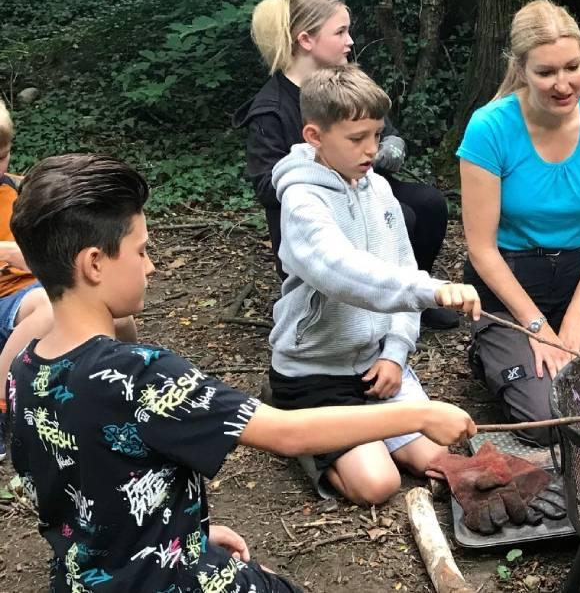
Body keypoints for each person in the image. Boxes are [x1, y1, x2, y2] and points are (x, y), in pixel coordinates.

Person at [6, 153, 477, 592]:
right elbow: (289, 433)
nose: (152, 266)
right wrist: (419, 415)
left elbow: (85, 492)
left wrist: (192, 532)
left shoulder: (24, 371)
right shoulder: (141, 375)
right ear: (93, 263)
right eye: (141, 250)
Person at [268, 65, 482, 504]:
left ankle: (369, 430)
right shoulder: (301, 200)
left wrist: (395, 354)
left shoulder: (380, 191)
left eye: (376, 135)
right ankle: (299, 431)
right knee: (377, 485)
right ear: (314, 135)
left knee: (436, 457)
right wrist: (433, 291)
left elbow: (404, 267)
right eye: (355, 138)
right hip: (316, 370)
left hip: (376, 366)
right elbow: (342, 272)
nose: (371, 150)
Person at [459, 0, 580, 446]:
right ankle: (491, 350)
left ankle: (557, 336)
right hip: (512, 283)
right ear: (520, 69)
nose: (563, 84)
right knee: (546, 420)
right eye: (546, 73)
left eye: (572, 67)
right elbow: (481, 248)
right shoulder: (489, 128)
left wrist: (576, 318)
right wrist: (537, 328)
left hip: (579, 278)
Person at [233, 0, 457, 329]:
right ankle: (370, 307)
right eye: (340, 32)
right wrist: (325, 163)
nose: (350, 41)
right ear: (306, 40)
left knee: (429, 204)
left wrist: (391, 144)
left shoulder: (347, 80)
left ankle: (414, 298)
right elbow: (266, 186)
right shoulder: (271, 109)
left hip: (366, 190)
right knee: (402, 217)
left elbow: (386, 128)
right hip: (314, 215)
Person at [0, 99, 137, 463]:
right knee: (50, 307)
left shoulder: (16, 190)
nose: (0, 165)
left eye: (3, 155)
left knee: (117, 313)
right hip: (13, 298)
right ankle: (0, 400)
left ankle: (130, 372)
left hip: (39, 281)